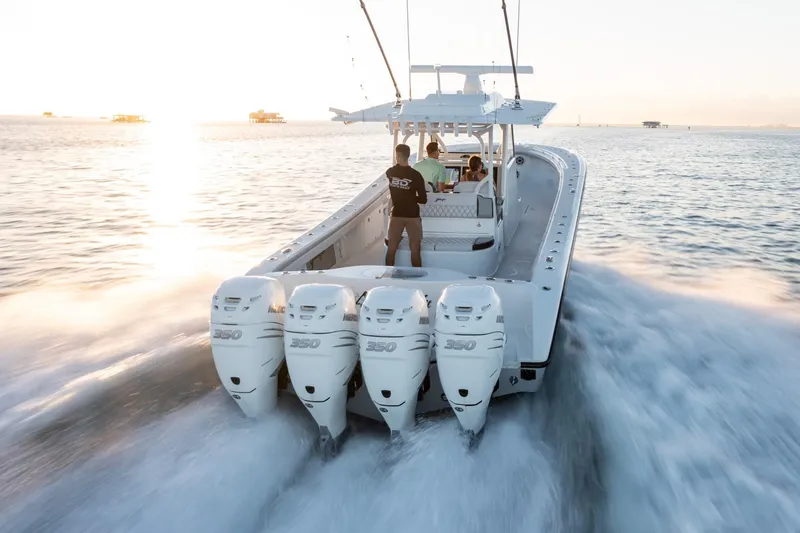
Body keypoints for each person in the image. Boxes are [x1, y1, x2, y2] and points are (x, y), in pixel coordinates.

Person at [385, 143, 427, 267]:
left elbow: (395, 181)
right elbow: (424, 199)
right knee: (415, 249)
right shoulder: (416, 176)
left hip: (397, 214)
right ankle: (417, 278)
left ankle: (388, 277)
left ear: (397, 155)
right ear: (408, 156)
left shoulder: (390, 173)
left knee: (391, 249)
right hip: (412, 215)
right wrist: (411, 197)